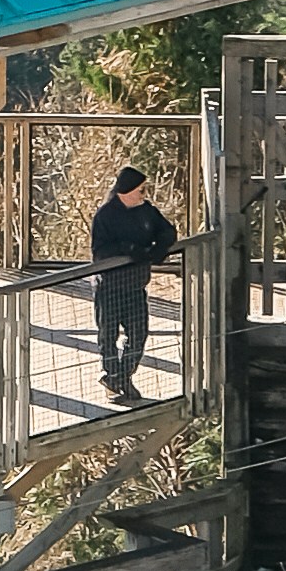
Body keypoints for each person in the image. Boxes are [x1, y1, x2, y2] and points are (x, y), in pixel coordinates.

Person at [87, 162, 172, 404]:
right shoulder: (105, 216)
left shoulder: (147, 212)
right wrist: (129, 250)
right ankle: (113, 376)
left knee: (138, 334)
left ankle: (121, 377)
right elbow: (100, 252)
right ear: (126, 191)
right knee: (108, 335)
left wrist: (159, 250)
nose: (144, 195)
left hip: (135, 286)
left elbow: (168, 232)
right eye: (141, 190)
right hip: (109, 286)